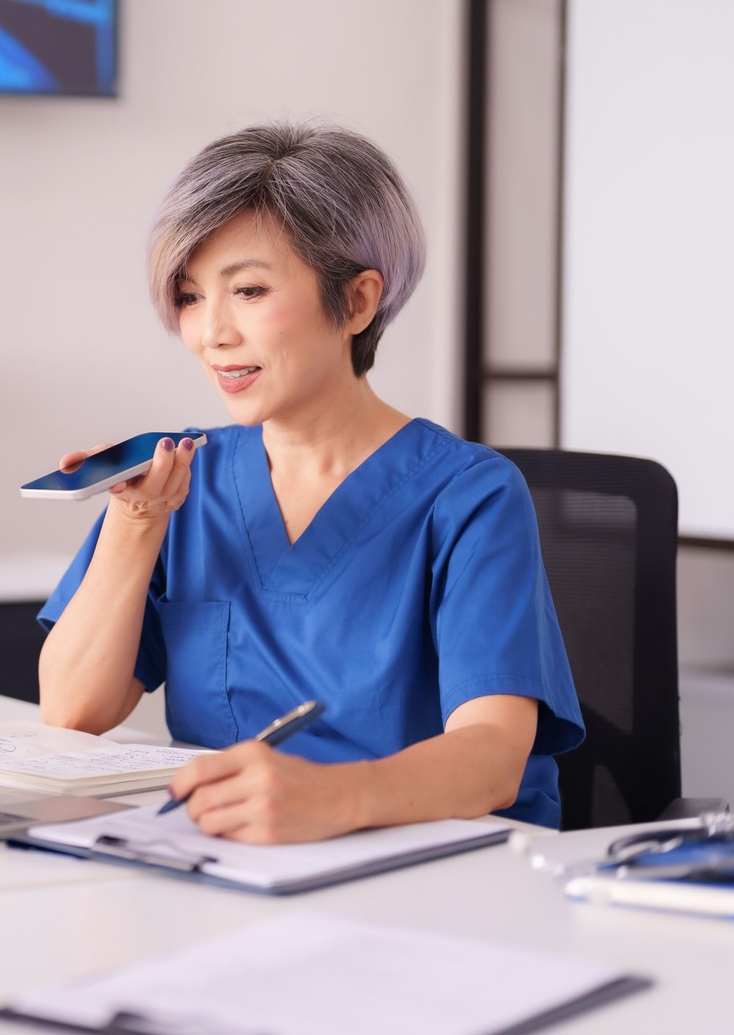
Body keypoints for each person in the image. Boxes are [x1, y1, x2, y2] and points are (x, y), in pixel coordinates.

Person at [36, 122, 583, 841]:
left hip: (440, 872)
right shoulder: (181, 482)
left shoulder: (469, 496)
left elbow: (492, 760)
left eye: (250, 291)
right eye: (193, 296)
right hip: (238, 862)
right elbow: (73, 711)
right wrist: (136, 527)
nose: (211, 333)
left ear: (356, 302)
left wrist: (333, 799)